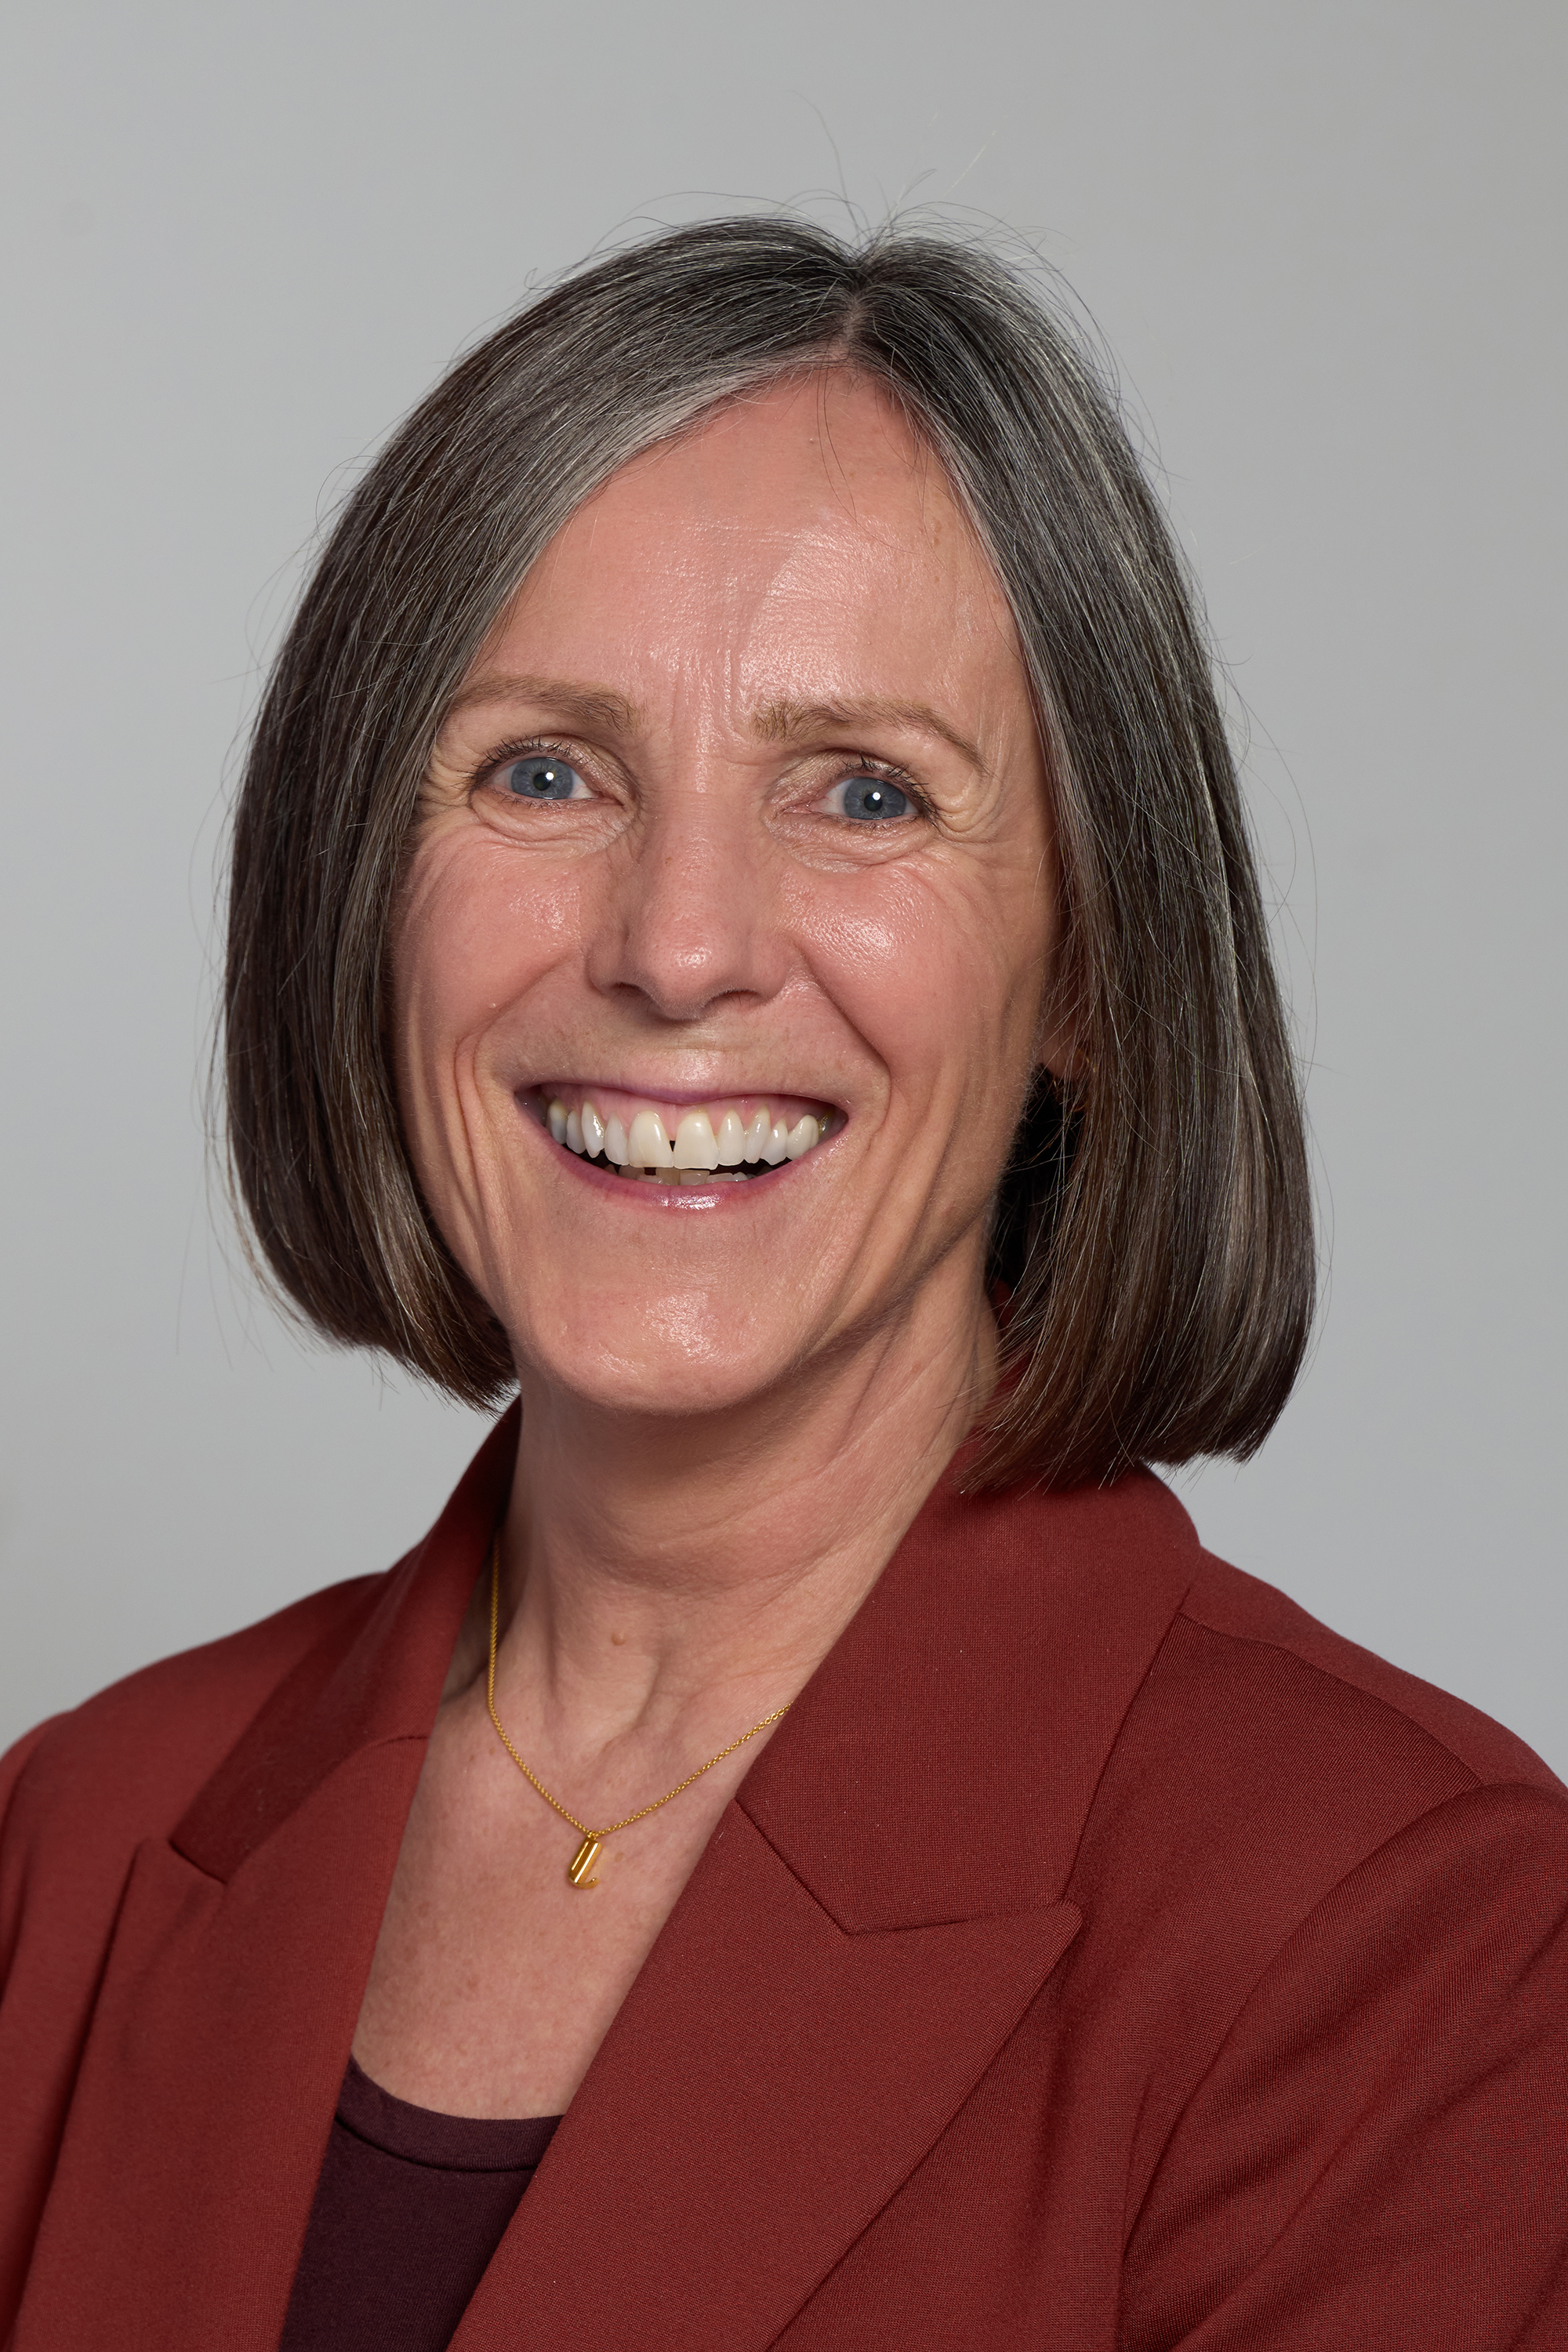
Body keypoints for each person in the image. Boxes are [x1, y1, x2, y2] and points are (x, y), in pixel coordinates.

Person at [1, 217, 1563, 2352]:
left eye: (863, 792)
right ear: (365, 891)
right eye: (545, 770)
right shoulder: (78, 1841)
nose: (678, 943)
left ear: (1086, 971)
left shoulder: (1411, 1937)